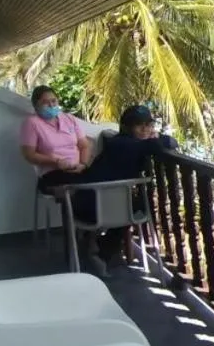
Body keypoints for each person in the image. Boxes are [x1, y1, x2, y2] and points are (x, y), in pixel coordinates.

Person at [68, 105, 177, 271]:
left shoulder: (115, 142)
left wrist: (153, 139)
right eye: (139, 125)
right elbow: (168, 143)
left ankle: (97, 247)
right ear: (127, 127)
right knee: (135, 208)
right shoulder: (131, 145)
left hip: (86, 204)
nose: (145, 129)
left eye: (148, 125)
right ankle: (102, 251)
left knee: (128, 206)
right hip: (92, 209)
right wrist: (155, 138)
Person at [20, 85, 92, 189]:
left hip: (77, 169)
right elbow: (29, 155)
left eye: (54, 101)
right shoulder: (32, 123)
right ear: (36, 105)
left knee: (102, 180)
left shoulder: (68, 119)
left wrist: (83, 164)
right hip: (53, 173)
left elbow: (84, 146)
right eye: (45, 102)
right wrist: (55, 161)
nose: (51, 105)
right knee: (81, 189)